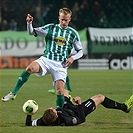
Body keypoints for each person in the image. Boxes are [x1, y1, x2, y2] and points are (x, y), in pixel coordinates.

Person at [1, 7, 83, 108]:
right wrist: (29, 23)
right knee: (29, 68)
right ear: (59, 18)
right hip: (46, 60)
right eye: (62, 19)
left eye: (66, 20)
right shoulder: (51, 28)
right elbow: (31, 32)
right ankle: (13, 93)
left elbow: (80, 51)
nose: (64, 22)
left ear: (70, 19)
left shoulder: (73, 34)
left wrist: (72, 58)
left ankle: (59, 112)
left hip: (61, 65)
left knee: (60, 91)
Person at [25, 89, 133, 126]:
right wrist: (80, 104)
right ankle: (125, 107)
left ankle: (69, 98)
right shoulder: (68, 120)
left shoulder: (44, 120)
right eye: (52, 109)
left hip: (66, 108)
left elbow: (29, 124)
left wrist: (29, 112)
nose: (51, 107)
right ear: (56, 114)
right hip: (77, 111)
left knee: (64, 91)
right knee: (100, 97)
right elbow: (82, 119)